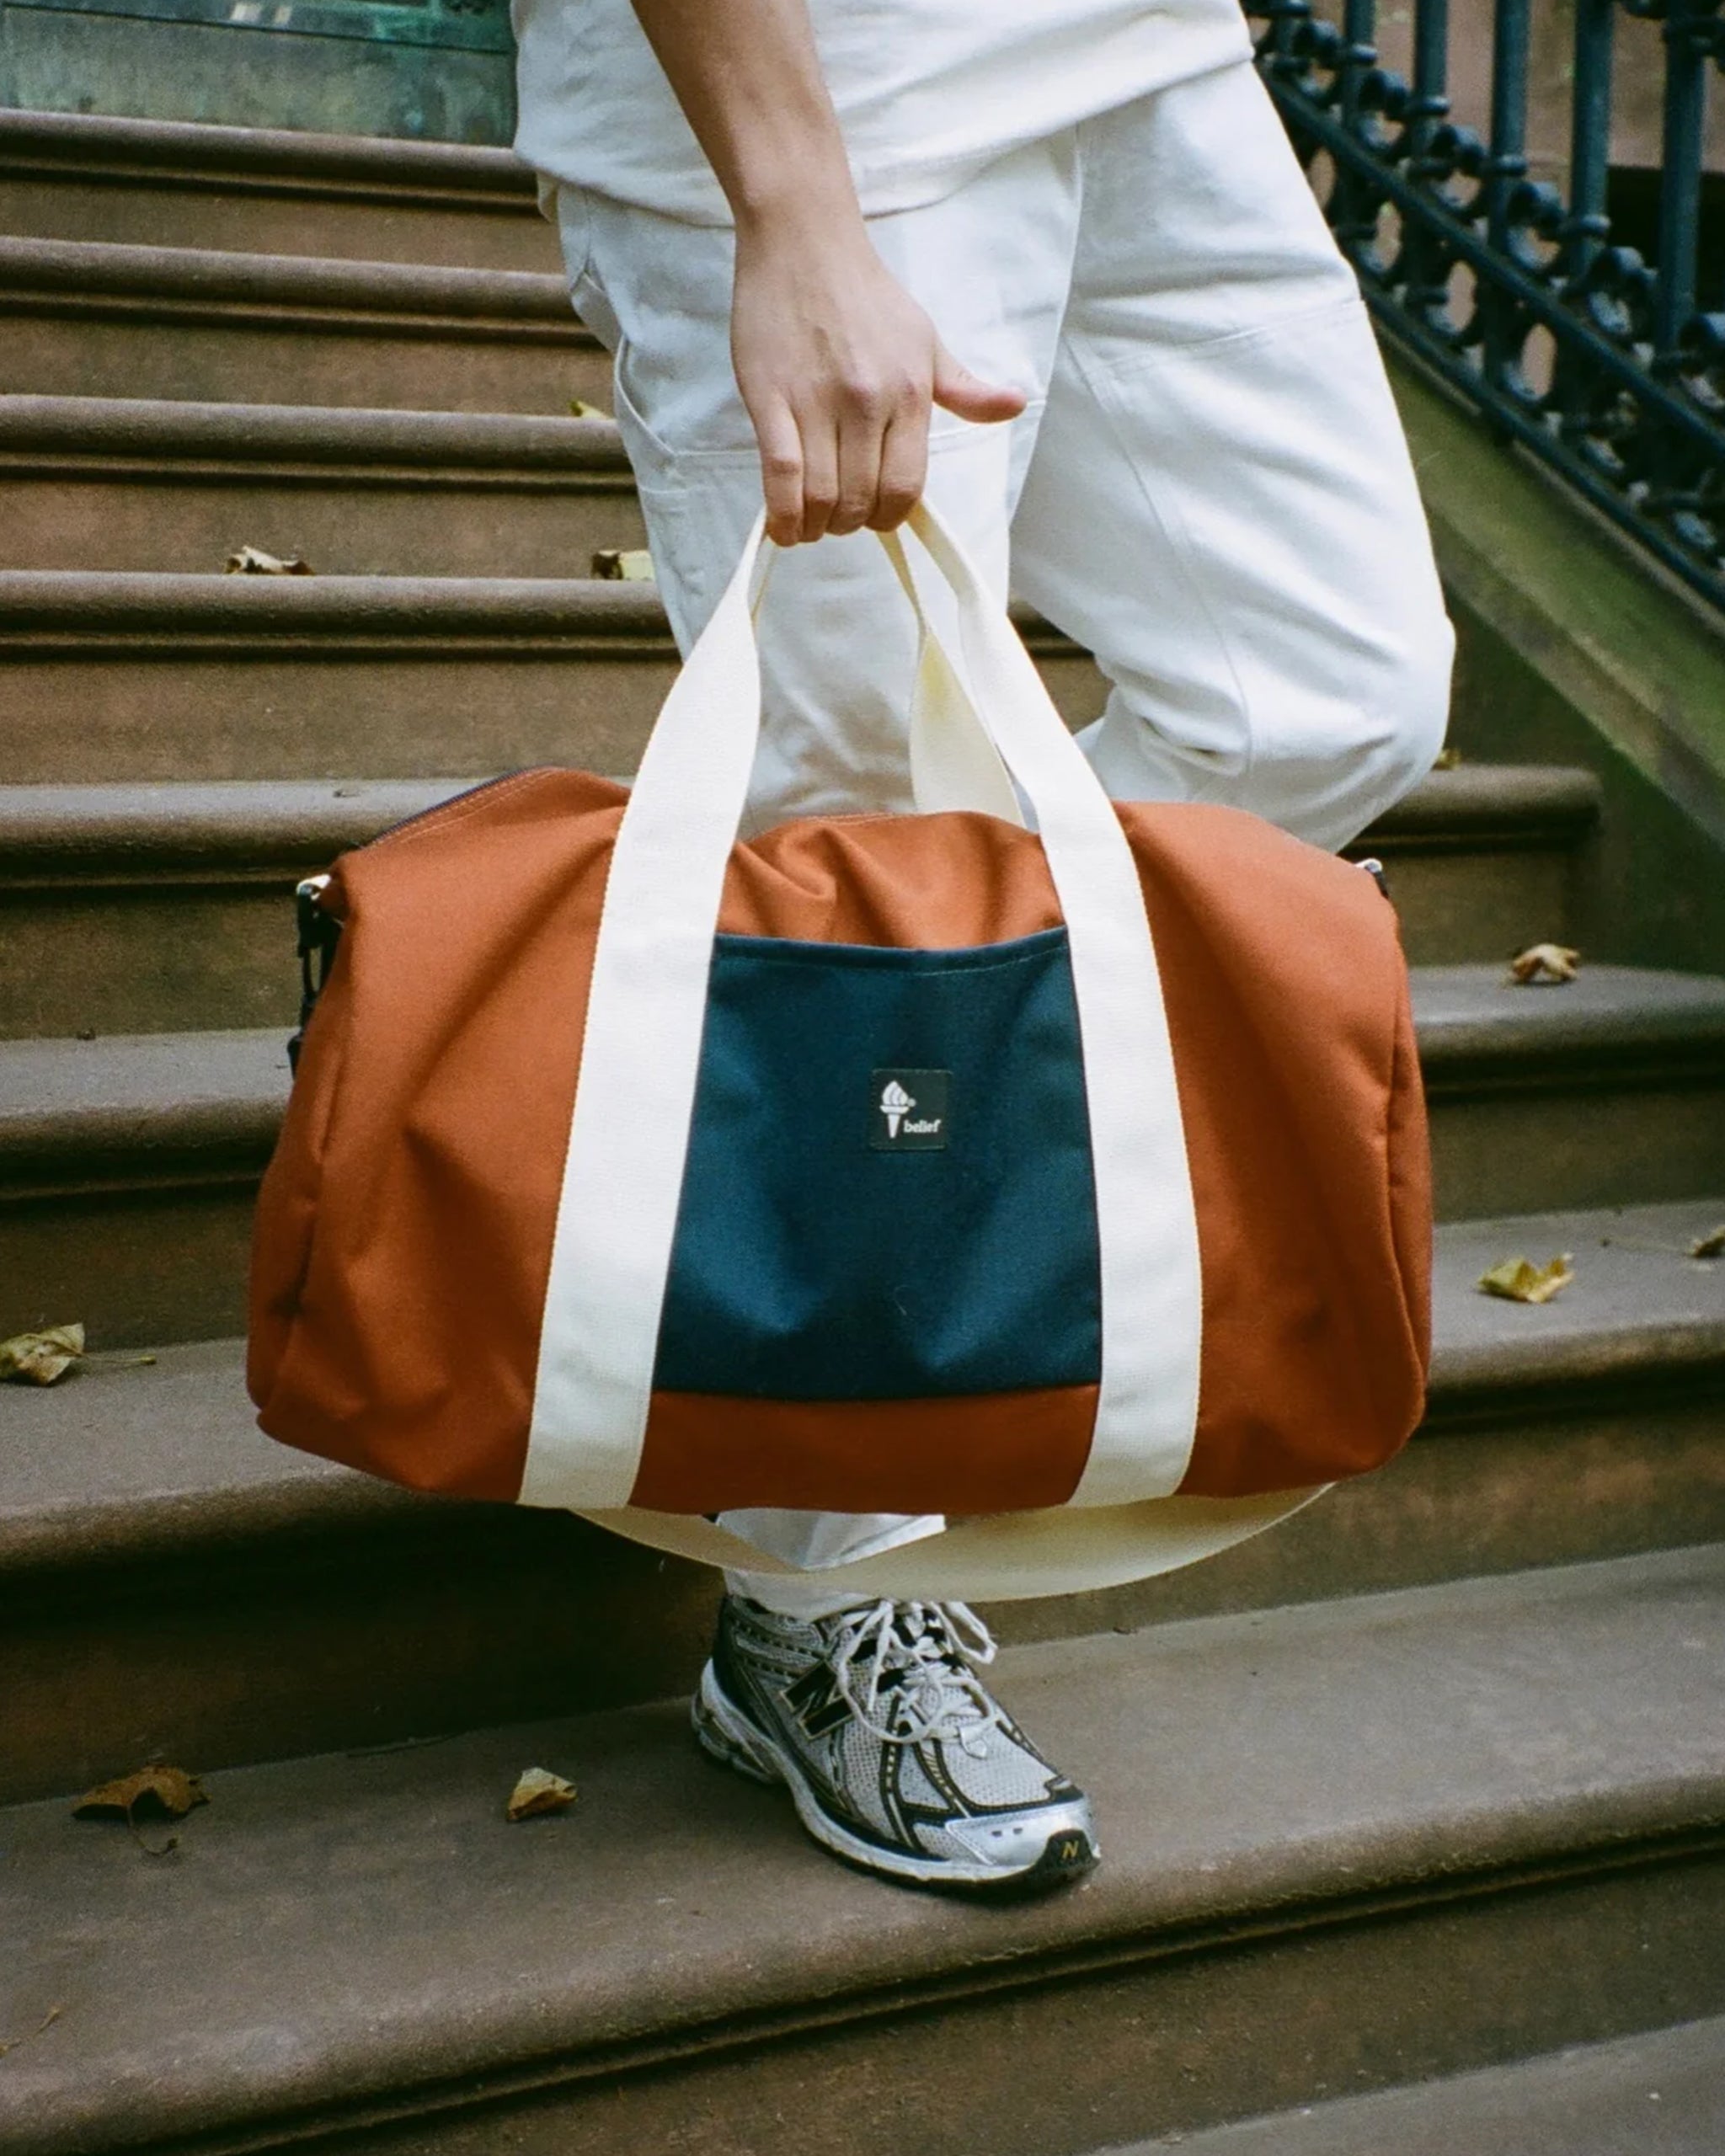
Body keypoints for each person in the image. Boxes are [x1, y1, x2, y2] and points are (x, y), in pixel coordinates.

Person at [509, 0, 1454, 1894]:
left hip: (1145, 52)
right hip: (831, 87)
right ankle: (810, 1592)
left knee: (1329, 690)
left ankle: (908, 1081)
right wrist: (787, 199)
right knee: (855, 815)